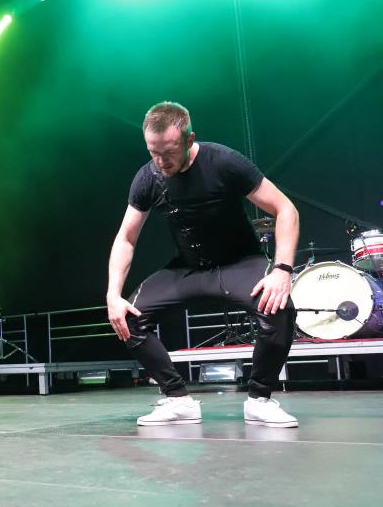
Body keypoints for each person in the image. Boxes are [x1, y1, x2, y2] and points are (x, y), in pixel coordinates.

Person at [107, 102, 300, 428]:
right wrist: (113, 294)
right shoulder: (148, 177)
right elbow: (126, 238)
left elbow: (285, 209)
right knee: (126, 317)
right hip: (189, 269)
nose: (161, 162)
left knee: (279, 308)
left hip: (240, 263)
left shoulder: (224, 162)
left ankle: (260, 400)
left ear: (189, 139)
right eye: (153, 152)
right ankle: (178, 400)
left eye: (169, 152)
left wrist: (282, 270)